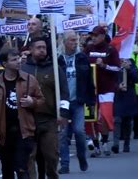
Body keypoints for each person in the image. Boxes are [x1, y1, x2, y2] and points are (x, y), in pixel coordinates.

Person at [0, 47, 44, 179]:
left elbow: (41, 101)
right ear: (5, 64)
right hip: (4, 132)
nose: (18, 61)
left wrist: (32, 102)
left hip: (23, 131)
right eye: (14, 59)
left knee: (22, 167)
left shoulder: (29, 80)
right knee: (7, 169)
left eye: (18, 58)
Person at [21, 37, 70, 179]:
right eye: (38, 47)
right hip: (28, 119)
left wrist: (63, 113)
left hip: (49, 119)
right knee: (29, 156)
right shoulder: (23, 69)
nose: (42, 50)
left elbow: (64, 92)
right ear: (30, 49)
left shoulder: (55, 68)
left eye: (44, 47)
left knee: (51, 156)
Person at [57, 30, 95, 174]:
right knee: (63, 134)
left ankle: (81, 156)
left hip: (78, 100)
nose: (75, 43)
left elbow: (89, 81)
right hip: (63, 102)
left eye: (76, 40)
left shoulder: (82, 58)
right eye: (72, 40)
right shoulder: (58, 59)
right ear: (64, 42)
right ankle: (65, 164)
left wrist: (91, 100)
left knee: (79, 131)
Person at [84, 26, 120, 156]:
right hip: (91, 90)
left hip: (107, 90)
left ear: (103, 36)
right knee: (90, 119)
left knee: (105, 117)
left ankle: (104, 141)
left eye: (95, 35)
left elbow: (117, 68)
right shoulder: (88, 49)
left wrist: (104, 66)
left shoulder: (110, 50)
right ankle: (96, 145)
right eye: (92, 35)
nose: (93, 38)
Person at [112, 58, 138, 154]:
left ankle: (126, 144)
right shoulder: (114, 63)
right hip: (118, 96)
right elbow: (110, 79)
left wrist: (129, 69)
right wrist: (117, 86)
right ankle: (116, 144)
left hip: (129, 95)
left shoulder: (131, 63)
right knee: (117, 120)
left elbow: (136, 78)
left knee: (127, 121)